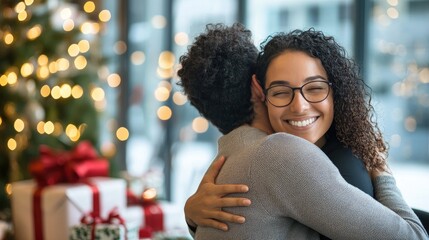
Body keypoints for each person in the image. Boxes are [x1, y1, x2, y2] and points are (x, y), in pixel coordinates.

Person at [178, 23, 428, 239]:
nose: (298, 105)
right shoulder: (280, 154)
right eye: (280, 90)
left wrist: (191, 217)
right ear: (258, 88)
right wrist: (382, 173)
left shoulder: (226, 163)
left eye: (314, 88)